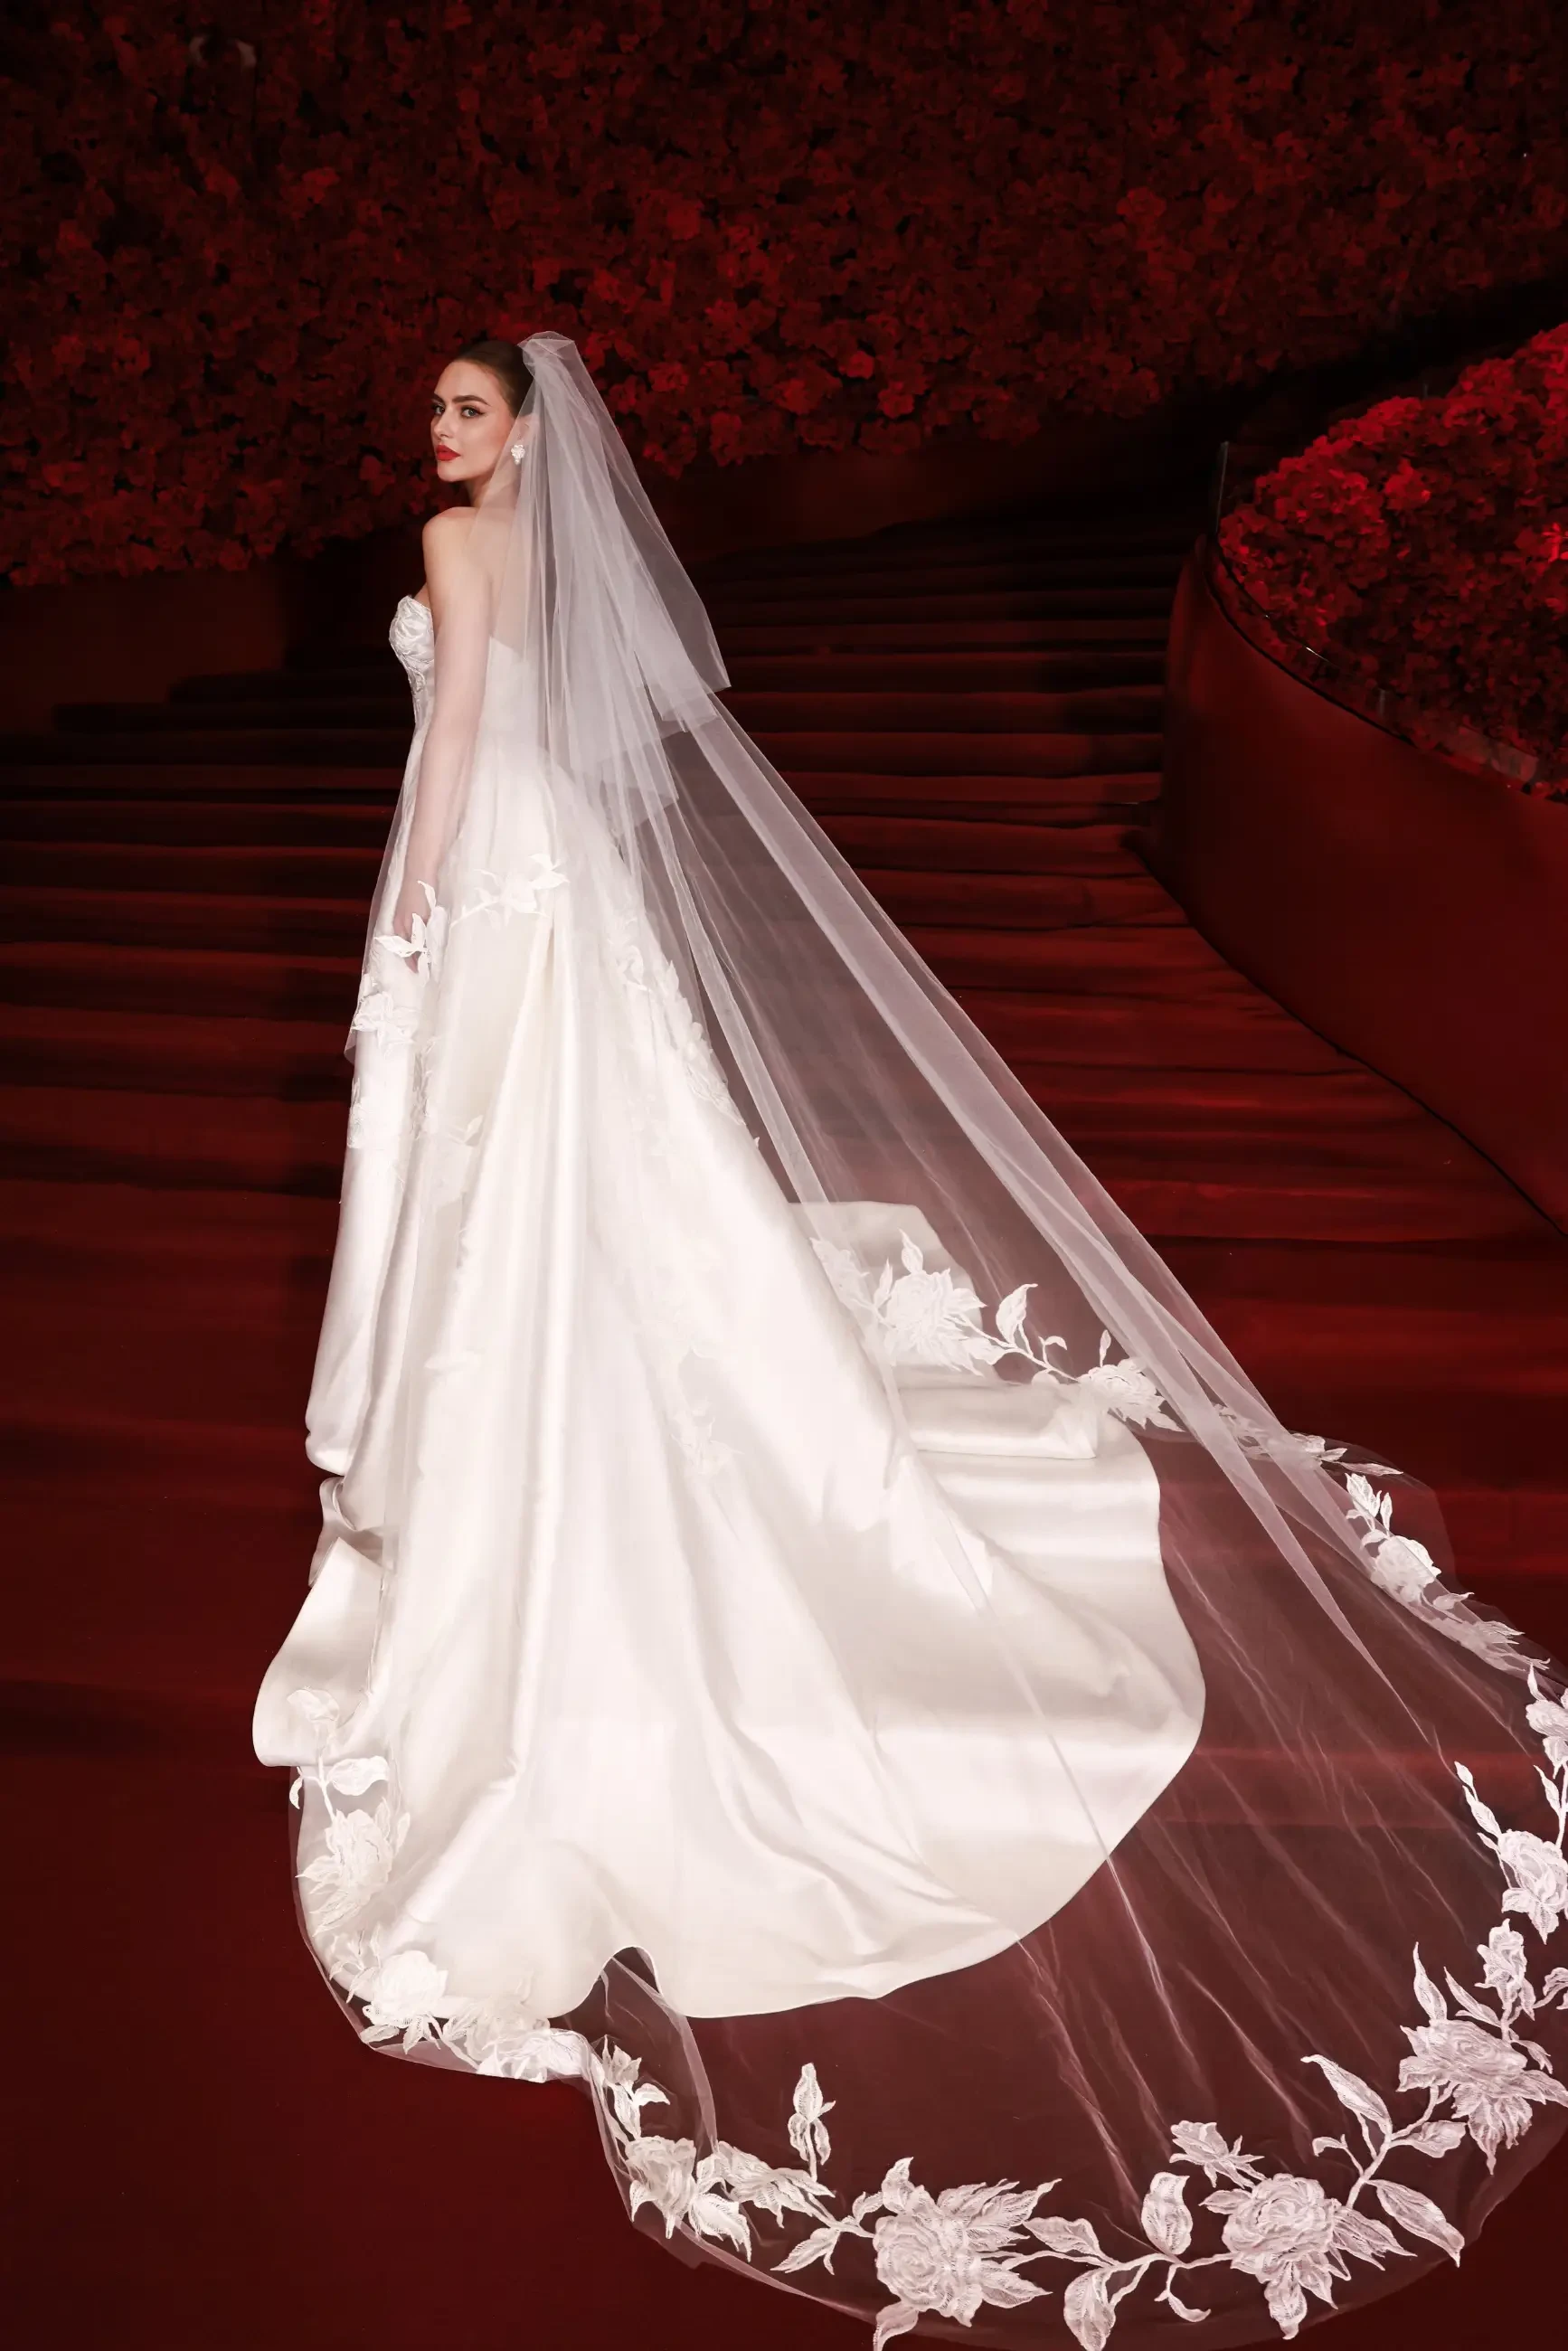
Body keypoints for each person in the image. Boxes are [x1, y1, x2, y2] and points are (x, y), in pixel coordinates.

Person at [254, 333, 1568, 2347]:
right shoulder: (544, 542)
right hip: (561, 882)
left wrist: (417, 914)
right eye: (435, 410)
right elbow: (559, 736)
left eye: (466, 409)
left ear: (517, 429)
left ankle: (521, 1440)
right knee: (594, 1170)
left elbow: (456, 750)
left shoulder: (453, 546)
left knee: (507, 1173)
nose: (440, 436)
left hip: (489, 886)